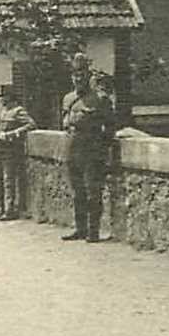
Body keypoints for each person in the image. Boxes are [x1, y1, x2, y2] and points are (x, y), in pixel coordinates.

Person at [60, 53, 111, 242]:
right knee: (77, 193)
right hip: (72, 149)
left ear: (89, 76)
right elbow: (65, 124)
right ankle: (80, 228)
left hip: (91, 151)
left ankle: (93, 231)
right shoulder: (68, 99)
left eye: (82, 75)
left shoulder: (100, 99)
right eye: (75, 75)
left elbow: (110, 126)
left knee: (92, 193)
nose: (78, 79)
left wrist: (101, 148)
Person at [0, 84, 36, 220]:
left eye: (4, 97)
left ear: (10, 97)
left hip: (10, 150)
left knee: (8, 181)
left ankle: (9, 210)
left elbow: (31, 125)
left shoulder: (18, 111)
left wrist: (12, 134)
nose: (1, 99)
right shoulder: (2, 111)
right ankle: (0, 208)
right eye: (1, 97)